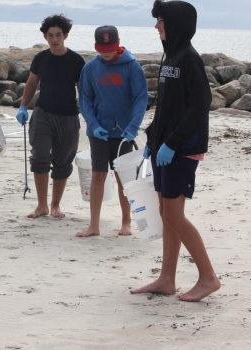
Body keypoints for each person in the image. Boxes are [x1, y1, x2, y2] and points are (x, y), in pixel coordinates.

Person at [130, 0, 220, 302]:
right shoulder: (171, 57)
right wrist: (154, 139)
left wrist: (172, 143)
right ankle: (166, 279)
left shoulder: (189, 60)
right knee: (166, 213)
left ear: (176, 24)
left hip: (182, 149)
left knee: (174, 215)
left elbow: (199, 106)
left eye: (161, 21)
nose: (157, 26)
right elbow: (167, 107)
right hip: (164, 146)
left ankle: (208, 277)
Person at [76, 25, 148, 237]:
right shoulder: (90, 68)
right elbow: (85, 99)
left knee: (123, 179)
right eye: (102, 48)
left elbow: (140, 98)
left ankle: (126, 223)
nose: (106, 52)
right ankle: (94, 225)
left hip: (124, 133)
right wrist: (93, 125)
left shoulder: (132, 67)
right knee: (98, 175)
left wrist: (133, 127)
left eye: (109, 47)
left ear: (118, 44)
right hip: (99, 132)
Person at [16, 15, 86, 219]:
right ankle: (41, 206)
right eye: (50, 35)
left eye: (58, 35)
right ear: (46, 37)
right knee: (39, 158)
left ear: (65, 35)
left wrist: (89, 113)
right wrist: (22, 106)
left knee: (63, 161)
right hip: (42, 114)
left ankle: (55, 205)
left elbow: (84, 89)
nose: (54, 39)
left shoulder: (76, 60)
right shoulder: (41, 58)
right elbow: (31, 84)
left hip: (68, 116)